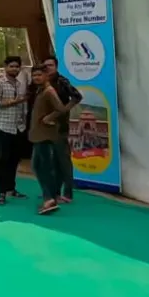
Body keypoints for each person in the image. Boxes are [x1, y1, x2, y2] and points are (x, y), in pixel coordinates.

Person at [29, 66, 78, 215]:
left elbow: (62, 109)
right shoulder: (41, 91)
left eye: (39, 75)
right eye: (34, 75)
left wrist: (49, 118)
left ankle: (49, 198)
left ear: (46, 76)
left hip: (45, 135)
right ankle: (50, 197)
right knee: (38, 166)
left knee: (43, 167)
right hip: (39, 134)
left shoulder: (49, 92)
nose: (36, 77)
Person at [43, 56, 84, 203]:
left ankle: (68, 193)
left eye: (50, 65)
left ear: (56, 66)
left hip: (60, 125)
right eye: (45, 65)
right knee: (53, 161)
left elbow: (77, 96)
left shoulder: (62, 81)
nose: (48, 67)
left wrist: (63, 110)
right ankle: (54, 192)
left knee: (63, 159)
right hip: (46, 125)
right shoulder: (43, 82)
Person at [0, 56, 29, 205]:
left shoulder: (19, 84)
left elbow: (23, 105)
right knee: (3, 161)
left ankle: (11, 188)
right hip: (3, 127)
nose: (14, 69)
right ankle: (1, 192)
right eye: (12, 66)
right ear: (5, 67)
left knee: (14, 160)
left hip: (18, 128)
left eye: (17, 67)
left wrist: (23, 121)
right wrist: (14, 102)